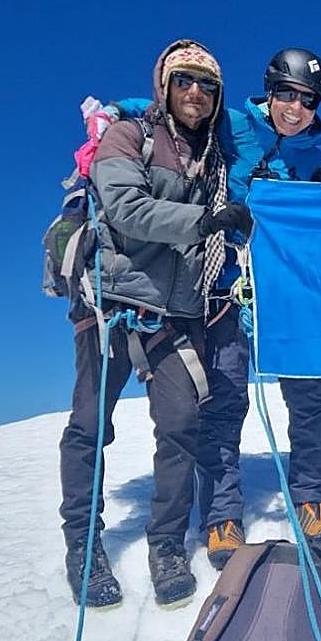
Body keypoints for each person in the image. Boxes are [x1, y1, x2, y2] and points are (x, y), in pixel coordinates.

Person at [98, 48, 321, 564]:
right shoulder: (234, 125)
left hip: (290, 296)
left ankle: (310, 497)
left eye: (308, 100)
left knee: (309, 396)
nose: (295, 109)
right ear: (269, 91)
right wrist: (118, 112)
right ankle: (222, 513)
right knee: (225, 396)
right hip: (226, 288)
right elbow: (171, 107)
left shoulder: (315, 159)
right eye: (287, 95)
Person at [57, 39, 251, 607]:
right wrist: (206, 219)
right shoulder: (129, 137)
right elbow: (125, 209)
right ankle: (85, 544)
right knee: (91, 425)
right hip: (112, 306)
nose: (197, 93)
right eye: (185, 81)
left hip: (177, 312)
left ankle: (166, 542)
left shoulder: (214, 157)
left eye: (208, 86)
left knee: (182, 425)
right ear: (164, 87)